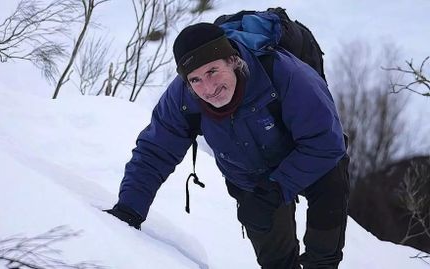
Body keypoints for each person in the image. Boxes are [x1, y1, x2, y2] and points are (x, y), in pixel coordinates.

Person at [105, 22, 350, 269]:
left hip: (312, 158)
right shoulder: (182, 98)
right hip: (249, 174)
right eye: (196, 79)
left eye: (213, 71)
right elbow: (155, 152)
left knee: (325, 233)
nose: (208, 88)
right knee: (275, 262)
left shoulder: (288, 76)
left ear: (233, 60)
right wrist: (129, 210)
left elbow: (326, 142)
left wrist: (277, 187)